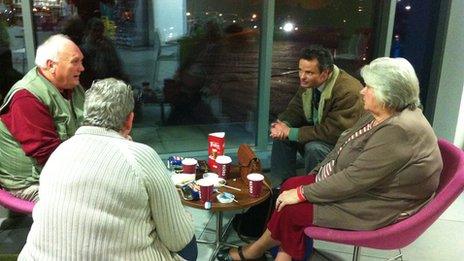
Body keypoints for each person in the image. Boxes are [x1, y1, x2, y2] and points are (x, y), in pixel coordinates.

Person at [218, 57, 443, 261]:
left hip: (380, 203)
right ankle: (261, 250)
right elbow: (342, 146)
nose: (362, 91)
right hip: (365, 186)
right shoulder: (381, 113)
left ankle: (257, 252)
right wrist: (315, 175)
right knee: (288, 186)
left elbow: (355, 179)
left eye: (369, 87)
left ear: (389, 95)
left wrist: (303, 193)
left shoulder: (399, 130)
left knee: (293, 209)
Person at [19, 78, 197, 260]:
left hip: (36, 256)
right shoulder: (140, 156)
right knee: (189, 245)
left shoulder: (59, 152)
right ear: (129, 120)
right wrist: (187, 218)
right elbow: (178, 239)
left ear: (86, 114)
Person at [0, 34, 85, 202]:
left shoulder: (71, 86)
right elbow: (48, 156)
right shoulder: (26, 97)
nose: (82, 68)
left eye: (81, 62)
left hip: (60, 169)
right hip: (32, 182)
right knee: (96, 198)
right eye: (75, 62)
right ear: (51, 65)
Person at [270, 46, 364, 181]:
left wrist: (291, 132)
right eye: (300, 70)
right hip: (323, 134)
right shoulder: (310, 83)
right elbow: (296, 109)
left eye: (308, 72)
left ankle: (313, 192)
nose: (302, 76)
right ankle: (281, 187)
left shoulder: (347, 91)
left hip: (344, 145)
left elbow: (333, 132)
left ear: (325, 73)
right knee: (281, 138)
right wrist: (281, 125)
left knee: (314, 148)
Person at [79, 17, 127, 90]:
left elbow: (116, 66)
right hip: (93, 85)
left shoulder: (107, 44)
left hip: (110, 83)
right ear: (89, 31)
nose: (98, 34)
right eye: (95, 31)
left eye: (100, 31)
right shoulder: (84, 49)